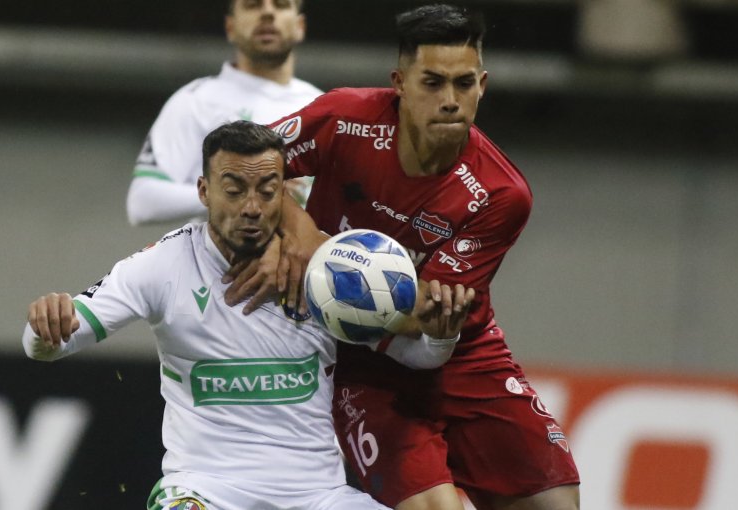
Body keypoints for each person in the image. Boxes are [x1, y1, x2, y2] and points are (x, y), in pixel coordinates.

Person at [225, 5, 582, 510]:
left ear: (483, 85)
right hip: (359, 360)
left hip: (462, 356)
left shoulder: (501, 194)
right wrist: (295, 228)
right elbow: (240, 162)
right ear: (400, 82)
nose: (450, 101)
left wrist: (321, 254)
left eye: (464, 84)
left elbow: (415, 316)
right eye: (432, 83)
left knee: (556, 504)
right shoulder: (343, 118)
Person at [23, 121, 476, 510]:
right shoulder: (163, 265)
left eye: (267, 190)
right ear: (204, 191)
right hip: (207, 492)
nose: (252, 207)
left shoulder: (328, 272)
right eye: (234, 190)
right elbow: (48, 343)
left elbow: (417, 356)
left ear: (286, 192)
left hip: (316, 496)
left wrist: (441, 336)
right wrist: (46, 327)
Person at [127, 0, 321, 225]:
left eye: (280, 5)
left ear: (300, 26)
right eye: (253, 5)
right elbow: (142, 202)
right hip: (219, 260)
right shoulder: (197, 100)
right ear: (230, 28)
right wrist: (238, 191)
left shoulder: (322, 106)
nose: (268, 12)